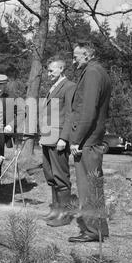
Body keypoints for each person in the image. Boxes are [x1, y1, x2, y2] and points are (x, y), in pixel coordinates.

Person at [68, 41, 111, 243]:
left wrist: (76, 139)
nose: (73, 59)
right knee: (94, 185)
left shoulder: (93, 73)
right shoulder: (98, 71)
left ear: (86, 54)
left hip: (88, 139)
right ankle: (99, 228)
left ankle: (93, 231)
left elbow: (88, 111)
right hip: (92, 137)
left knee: (87, 187)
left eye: (76, 55)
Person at [39, 55, 75, 227]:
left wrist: (64, 138)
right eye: (48, 70)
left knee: (61, 176)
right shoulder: (52, 88)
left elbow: (70, 114)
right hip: (47, 138)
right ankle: (56, 210)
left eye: (51, 70)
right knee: (50, 175)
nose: (49, 73)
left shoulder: (69, 87)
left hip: (58, 138)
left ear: (61, 68)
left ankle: (65, 215)